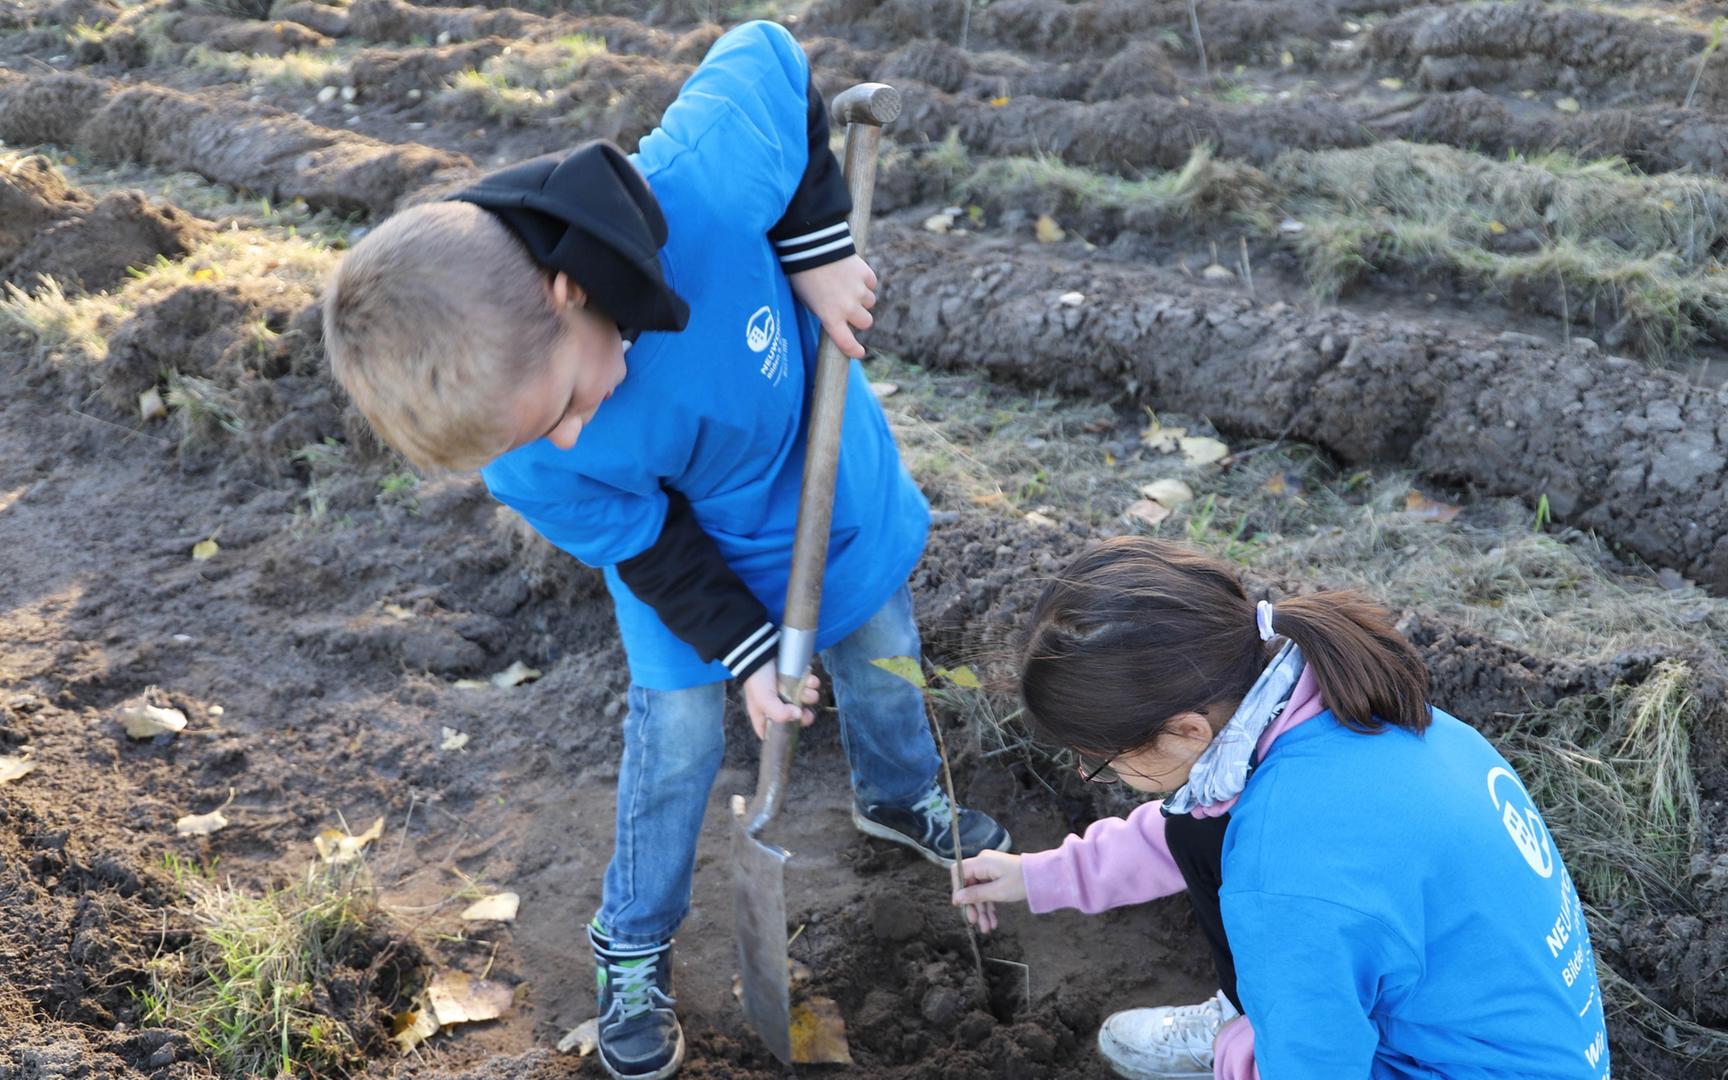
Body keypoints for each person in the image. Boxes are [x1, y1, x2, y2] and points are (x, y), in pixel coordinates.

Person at [322, 22, 1011, 1080]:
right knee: (679, 731)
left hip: (819, 461)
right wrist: (743, 651)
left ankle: (898, 793)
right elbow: (645, 541)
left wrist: (815, 246)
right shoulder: (529, 458)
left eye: (555, 410)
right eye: (526, 441)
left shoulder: (696, 194)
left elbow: (769, 56)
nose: (558, 444)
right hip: (682, 547)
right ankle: (634, 939)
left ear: (567, 296)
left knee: (877, 635)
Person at [952, 537, 1609, 1080]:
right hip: (1521, 1035)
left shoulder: (1285, 870)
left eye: (1096, 757)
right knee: (1197, 832)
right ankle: (1270, 1011)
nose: (1084, 771)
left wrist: (1243, 1052)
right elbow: (1184, 827)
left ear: (1186, 732)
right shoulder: (1323, 704)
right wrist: (1034, 877)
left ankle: (1258, 1020)